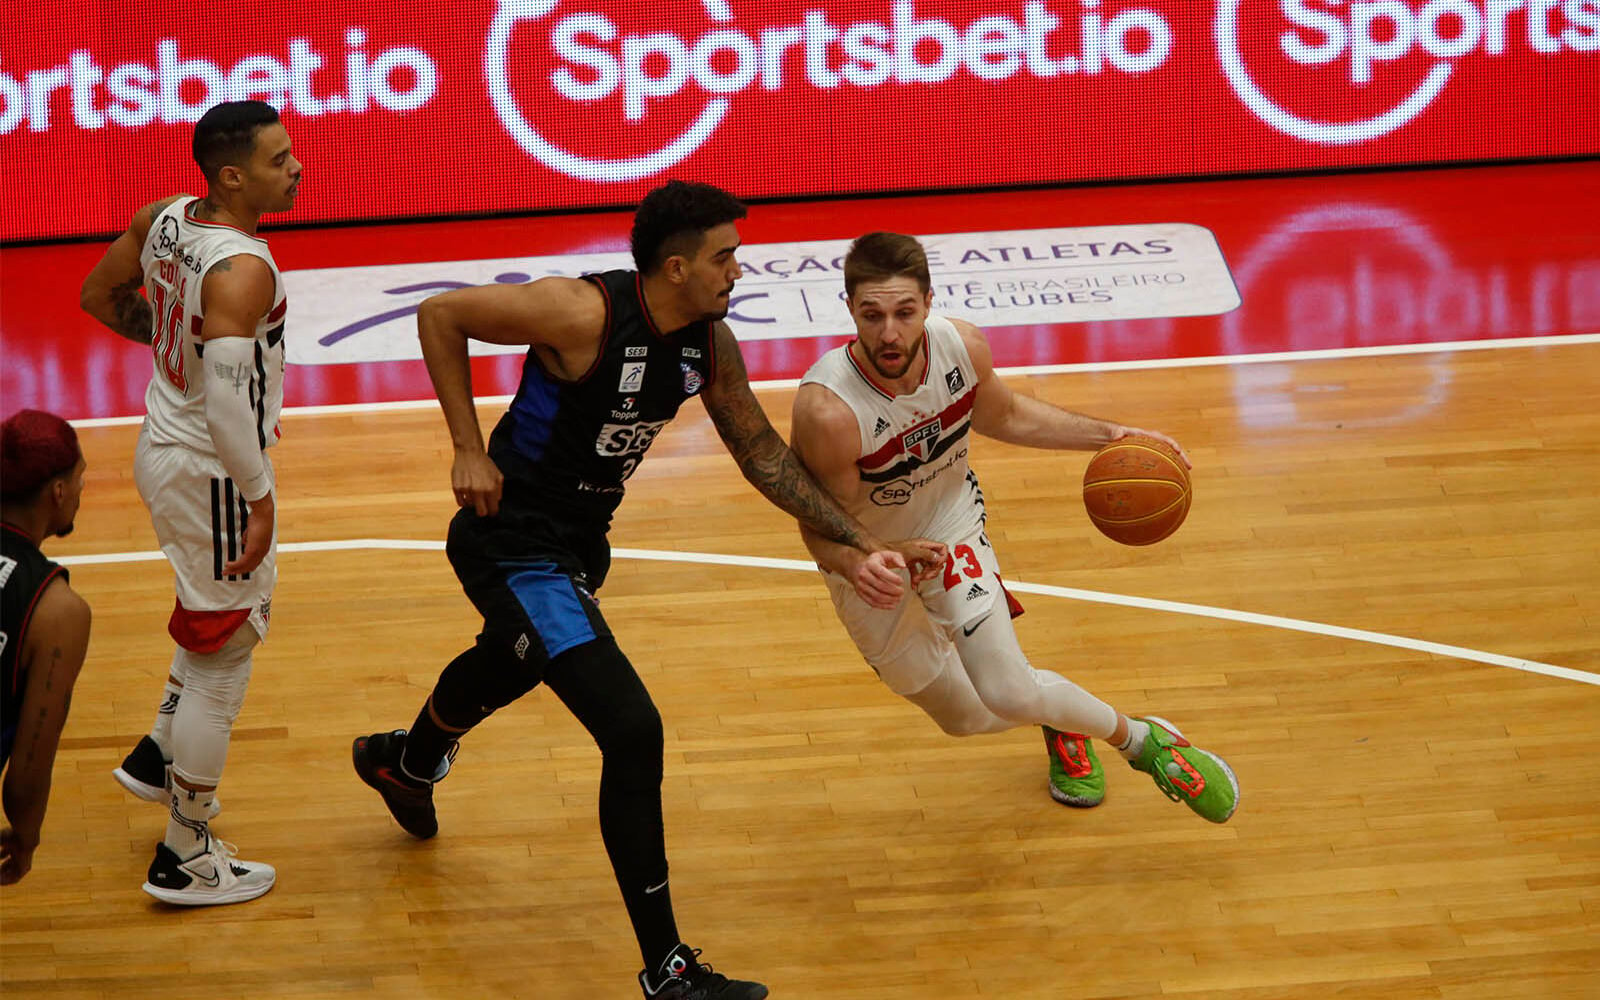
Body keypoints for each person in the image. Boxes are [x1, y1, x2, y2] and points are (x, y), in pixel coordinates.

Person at [352, 181, 935, 1000]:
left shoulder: (707, 341)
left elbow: (764, 455)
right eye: (723, 256)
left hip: (578, 546)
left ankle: (405, 766)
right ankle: (669, 971)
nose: (738, 270)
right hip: (512, 544)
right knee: (632, 728)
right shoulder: (581, 313)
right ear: (674, 268)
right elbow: (441, 315)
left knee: (513, 658)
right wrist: (465, 446)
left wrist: (863, 540)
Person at [789, 232, 1240, 823]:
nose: (890, 333)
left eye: (904, 313)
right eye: (873, 316)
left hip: (952, 527)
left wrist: (1117, 437)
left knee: (1007, 690)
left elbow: (1004, 413)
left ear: (928, 302)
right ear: (850, 310)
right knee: (964, 718)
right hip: (874, 562)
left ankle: (1144, 742)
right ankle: (1059, 718)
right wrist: (871, 556)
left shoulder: (961, 348)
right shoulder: (829, 412)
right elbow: (819, 526)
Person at [79, 99, 301, 905]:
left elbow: (99, 297)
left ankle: (152, 756)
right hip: (211, 471)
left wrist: (173, 346)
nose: (297, 167)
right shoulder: (242, 269)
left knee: (203, 613)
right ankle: (186, 852)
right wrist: (260, 496)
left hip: (162, 449)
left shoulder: (164, 217)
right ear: (232, 175)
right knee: (227, 647)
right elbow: (226, 406)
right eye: (280, 159)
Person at [1, 410, 93, 886]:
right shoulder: (58, 612)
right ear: (57, 492)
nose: (81, 492)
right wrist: (25, 836)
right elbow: (25, 774)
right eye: (80, 480)